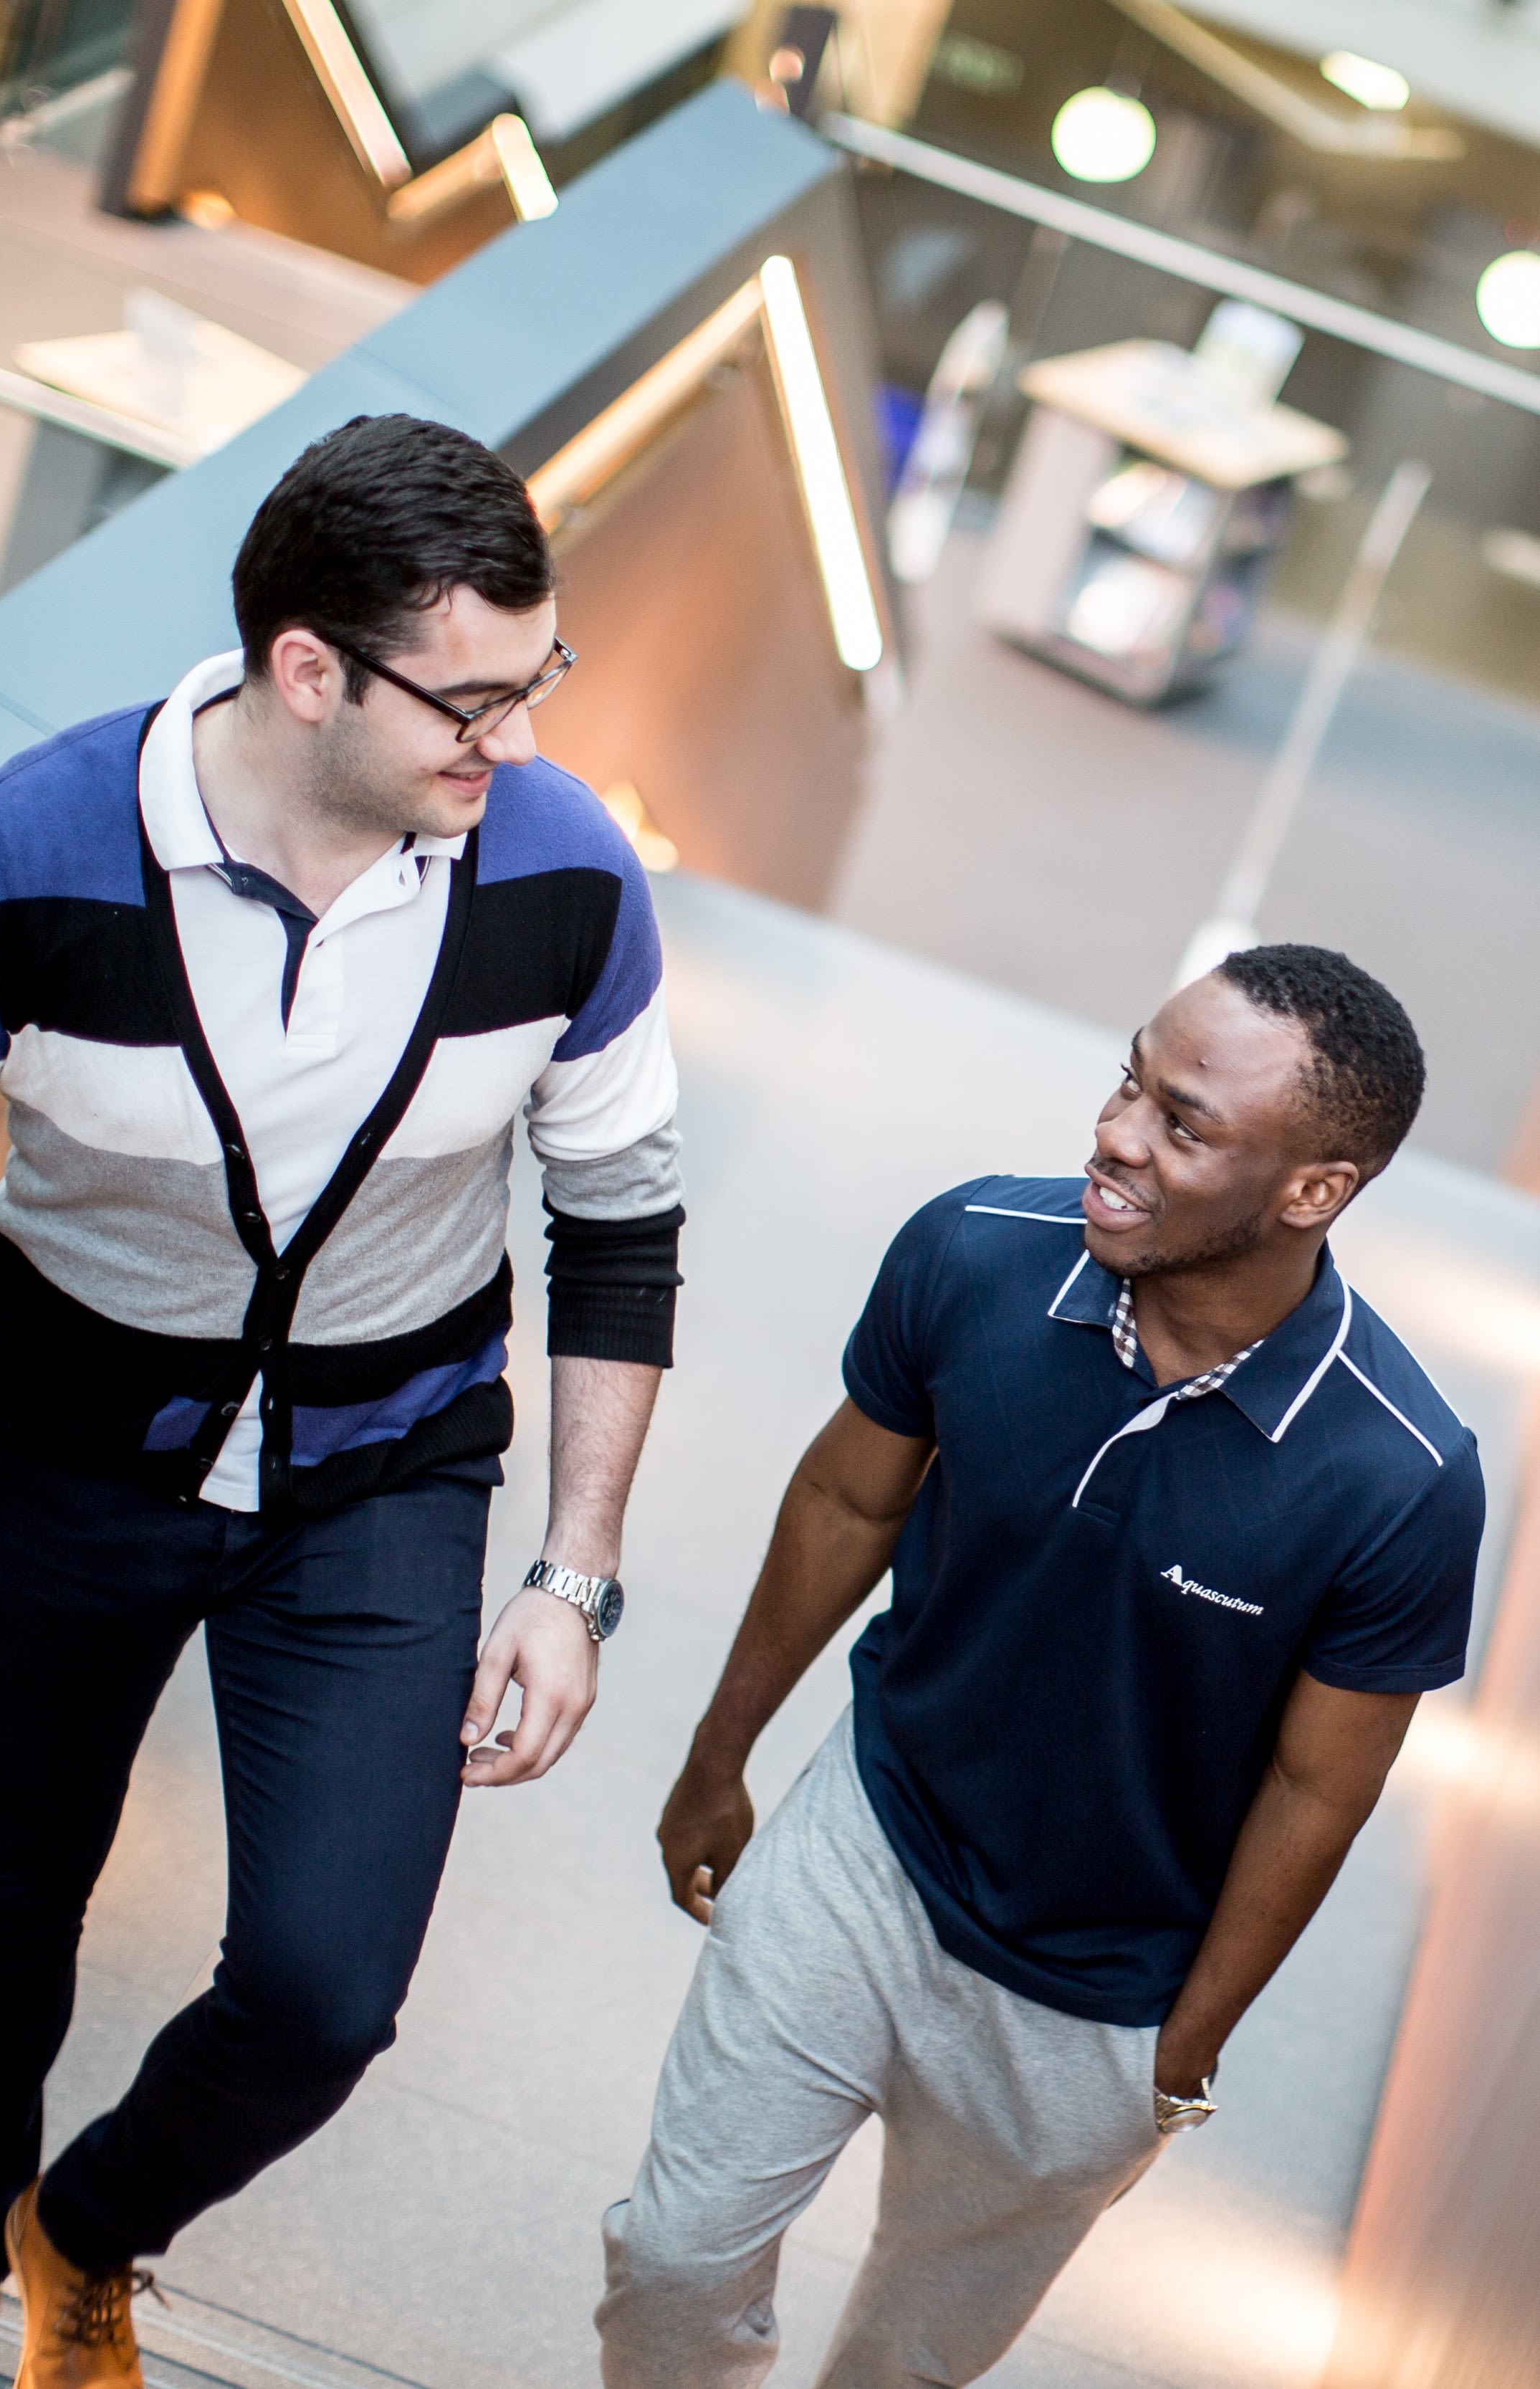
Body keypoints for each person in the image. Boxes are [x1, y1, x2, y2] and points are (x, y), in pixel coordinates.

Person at [0, 413, 682, 2389]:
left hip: (390, 1469)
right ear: (307, 666)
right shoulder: (29, 849)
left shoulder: (567, 873)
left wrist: (571, 1573)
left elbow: (619, 1225)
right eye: (475, 696)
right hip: (60, 1457)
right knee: (0, 1900)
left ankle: (84, 2226)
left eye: (540, 684)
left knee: (328, 1991)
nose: (511, 742)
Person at [598, 944, 1483, 2389]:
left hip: (1094, 1997)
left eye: (1182, 1120)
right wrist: (716, 1759)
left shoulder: (1394, 1473)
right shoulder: (976, 1250)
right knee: (674, 2255)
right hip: (869, 1842)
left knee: (907, 2362)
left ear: (1309, 1189)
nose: (1116, 1131)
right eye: (1129, 1078)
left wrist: (1175, 2056)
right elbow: (844, 1502)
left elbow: (1317, 1790)